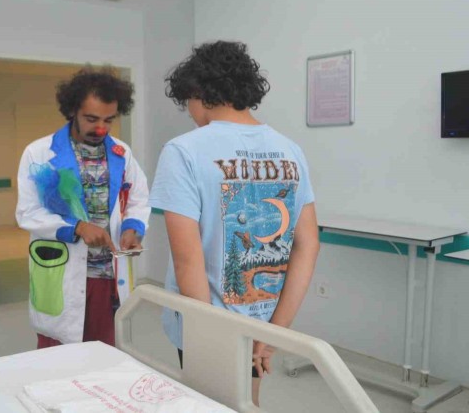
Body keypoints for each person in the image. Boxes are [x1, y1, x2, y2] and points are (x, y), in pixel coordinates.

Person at [149, 41, 320, 406]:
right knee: (247, 402)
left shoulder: (183, 151)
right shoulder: (290, 150)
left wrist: (211, 338)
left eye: (188, 101)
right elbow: (308, 245)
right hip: (263, 319)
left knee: (207, 403)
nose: (190, 113)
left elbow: (188, 261)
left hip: (207, 322)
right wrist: (275, 332)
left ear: (198, 91)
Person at [16, 67, 150, 349]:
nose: (101, 128)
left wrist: (132, 228)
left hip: (106, 276)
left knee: (101, 353)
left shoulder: (121, 153)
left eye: (108, 120)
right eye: (91, 119)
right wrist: (77, 227)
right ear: (72, 111)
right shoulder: (39, 152)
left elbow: (138, 198)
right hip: (60, 271)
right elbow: (27, 213)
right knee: (56, 354)